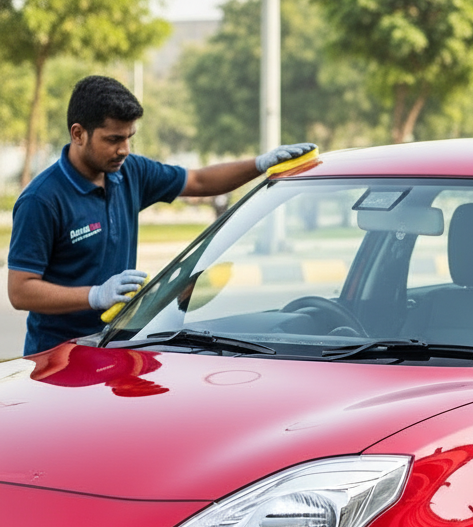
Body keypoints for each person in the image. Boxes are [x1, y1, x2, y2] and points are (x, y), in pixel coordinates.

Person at [6, 75, 313, 356]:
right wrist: (95, 295)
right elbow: (20, 291)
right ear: (78, 134)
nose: (124, 149)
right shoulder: (42, 200)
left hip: (116, 345)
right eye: (113, 139)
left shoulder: (131, 173)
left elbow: (199, 181)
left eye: (129, 137)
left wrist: (259, 164)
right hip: (57, 358)